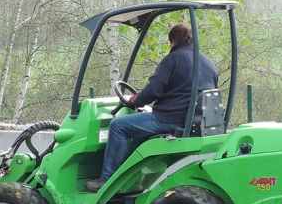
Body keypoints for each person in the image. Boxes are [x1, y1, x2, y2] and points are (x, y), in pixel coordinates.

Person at [85, 23, 219, 192]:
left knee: (118, 126)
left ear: (172, 41)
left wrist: (136, 100)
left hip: (170, 120)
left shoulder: (173, 59)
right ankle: (129, 178)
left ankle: (107, 180)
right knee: (138, 134)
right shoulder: (208, 63)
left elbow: (155, 89)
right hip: (195, 122)